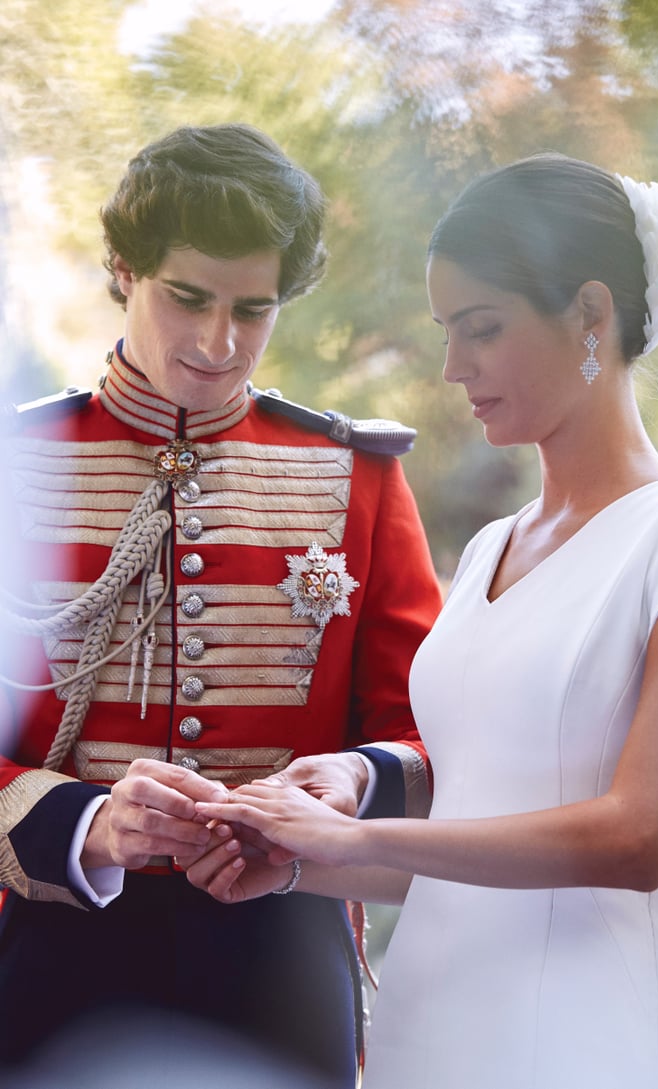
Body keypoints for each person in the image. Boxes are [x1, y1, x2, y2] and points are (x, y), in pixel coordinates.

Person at [183, 153, 658, 1089]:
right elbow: (474, 831)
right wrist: (301, 861)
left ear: (591, 314)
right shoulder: (491, 550)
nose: (451, 366)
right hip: (435, 1034)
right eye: (446, 331)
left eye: (482, 329)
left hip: (593, 1045)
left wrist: (356, 838)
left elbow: (638, 837)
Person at [0, 122, 442, 1087]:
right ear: (124, 268)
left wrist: (353, 779)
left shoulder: (354, 475)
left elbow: (430, 729)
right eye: (188, 297)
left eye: (255, 308)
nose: (218, 342)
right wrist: (85, 823)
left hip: (283, 953)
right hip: (48, 942)